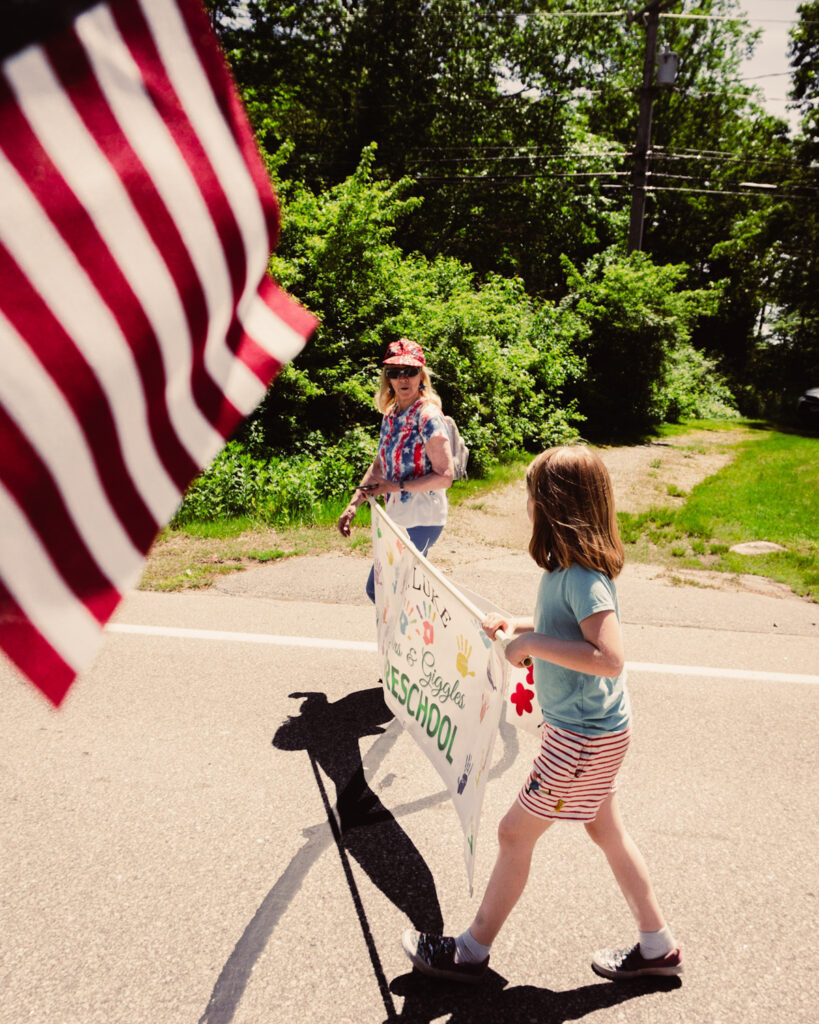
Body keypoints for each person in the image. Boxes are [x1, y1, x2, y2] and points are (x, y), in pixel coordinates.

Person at [401, 445, 682, 983]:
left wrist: (529, 642)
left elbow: (608, 658)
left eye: (531, 494)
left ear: (553, 504)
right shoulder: (566, 572)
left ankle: (470, 951)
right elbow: (567, 630)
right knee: (608, 833)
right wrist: (519, 624)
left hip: (582, 740)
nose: (526, 503)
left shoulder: (584, 579)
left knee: (513, 834)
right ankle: (658, 945)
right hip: (590, 736)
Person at [338, 339, 454, 602]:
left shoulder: (428, 416)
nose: (403, 378)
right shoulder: (391, 415)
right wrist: (355, 503)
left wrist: (396, 487)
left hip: (423, 518)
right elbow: (380, 465)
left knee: (388, 591)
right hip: (397, 516)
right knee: (392, 592)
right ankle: (418, 641)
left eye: (410, 371)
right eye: (394, 372)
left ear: (421, 375)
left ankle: (432, 638)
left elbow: (445, 476)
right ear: (387, 378)